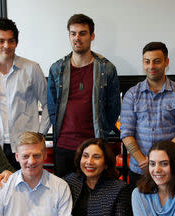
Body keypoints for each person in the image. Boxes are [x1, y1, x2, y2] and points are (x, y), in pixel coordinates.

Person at [0, 18, 50, 170]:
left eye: (11, 41)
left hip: (25, 146)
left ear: (16, 43)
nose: (6, 46)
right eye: (1, 41)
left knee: (25, 190)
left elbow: (48, 104)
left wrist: (40, 134)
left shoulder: (32, 68)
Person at [47, 13, 121, 177]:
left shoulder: (106, 69)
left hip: (94, 147)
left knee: (94, 197)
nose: (77, 38)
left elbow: (113, 108)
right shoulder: (57, 69)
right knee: (65, 198)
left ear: (92, 36)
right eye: (73, 33)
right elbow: (52, 108)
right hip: (64, 146)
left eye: (82, 33)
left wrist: (101, 134)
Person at [120, 42, 175, 187]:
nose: (151, 66)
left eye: (157, 61)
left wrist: (160, 162)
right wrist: (144, 162)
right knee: (139, 209)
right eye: (147, 61)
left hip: (171, 170)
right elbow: (126, 133)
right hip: (140, 170)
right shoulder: (132, 94)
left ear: (166, 62)